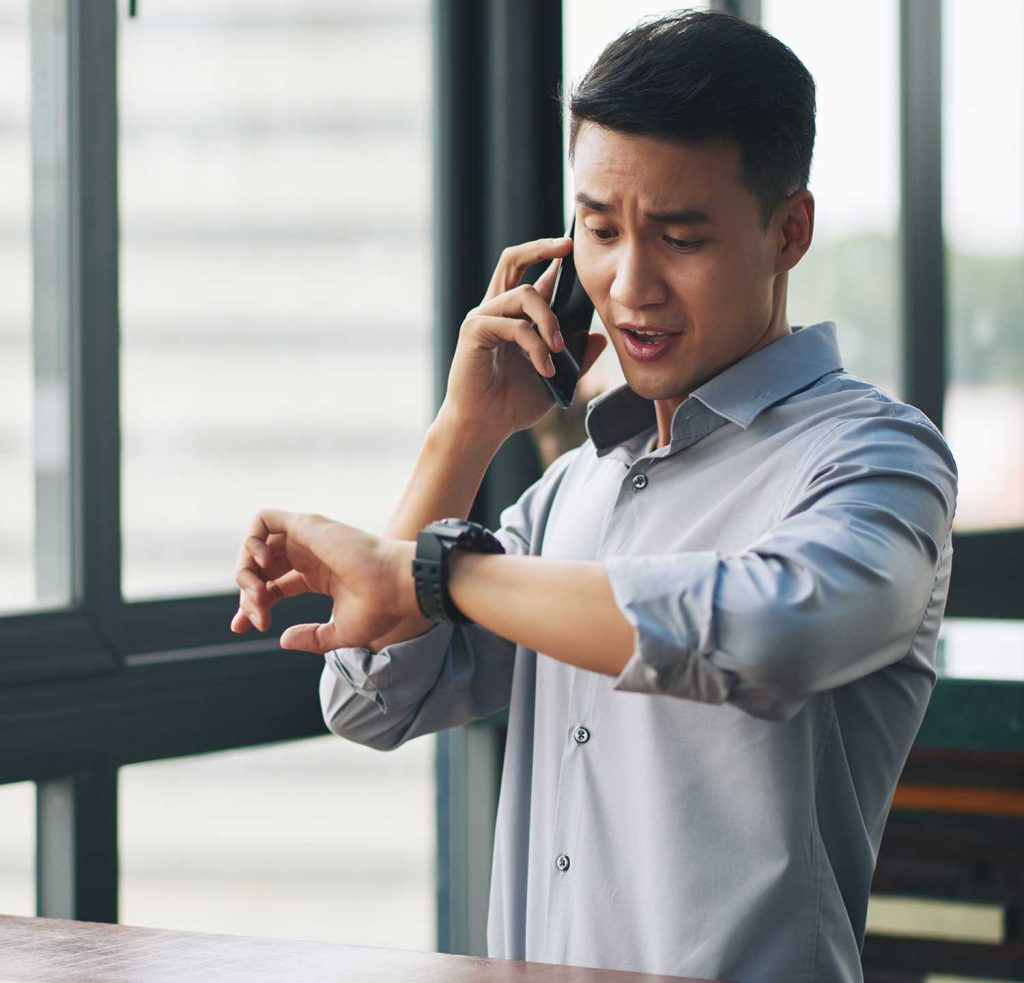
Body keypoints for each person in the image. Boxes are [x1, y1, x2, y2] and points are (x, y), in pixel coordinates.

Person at [230, 10, 957, 983]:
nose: (628, 284)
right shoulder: (573, 487)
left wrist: (441, 570)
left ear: (789, 231)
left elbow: (771, 628)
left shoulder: (876, 458)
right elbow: (367, 697)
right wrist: (466, 430)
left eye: (680, 237)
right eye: (600, 230)